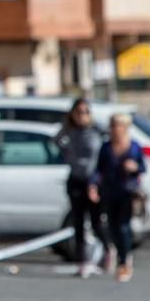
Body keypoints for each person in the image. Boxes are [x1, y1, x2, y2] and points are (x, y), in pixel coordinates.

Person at [54, 98, 109, 278]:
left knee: (96, 221)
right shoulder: (69, 131)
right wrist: (67, 126)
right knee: (78, 223)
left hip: (93, 181)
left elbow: (104, 152)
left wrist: (97, 181)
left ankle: (109, 251)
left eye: (86, 112)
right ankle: (83, 262)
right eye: (78, 112)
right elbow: (57, 140)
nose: (82, 116)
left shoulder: (96, 130)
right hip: (76, 180)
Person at [89, 113, 146, 283]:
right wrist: (93, 185)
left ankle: (124, 260)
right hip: (109, 191)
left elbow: (142, 167)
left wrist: (134, 167)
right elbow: (99, 170)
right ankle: (118, 253)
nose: (115, 129)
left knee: (123, 225)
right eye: (113, 126)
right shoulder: (106, 147)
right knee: (112, 225)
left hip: (127, 192)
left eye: (118, 126)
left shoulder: (134, 147)